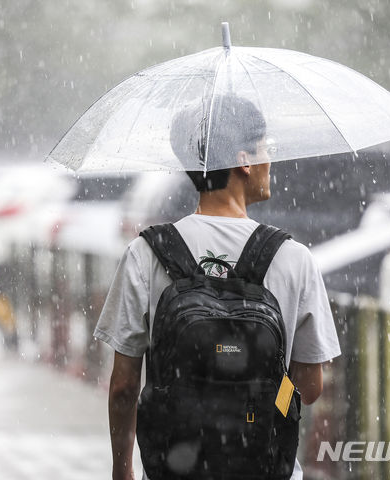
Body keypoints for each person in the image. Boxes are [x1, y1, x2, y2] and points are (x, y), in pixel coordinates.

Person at [93, 94, 342, 480]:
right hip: (265, 468)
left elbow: (124, 385)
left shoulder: (145, 254)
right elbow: (309, 389)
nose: (269, 159)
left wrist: (121, 470)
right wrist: (256, 387)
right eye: (265, 148)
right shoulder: (293, 259)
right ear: (243, 161)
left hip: (176, 468)